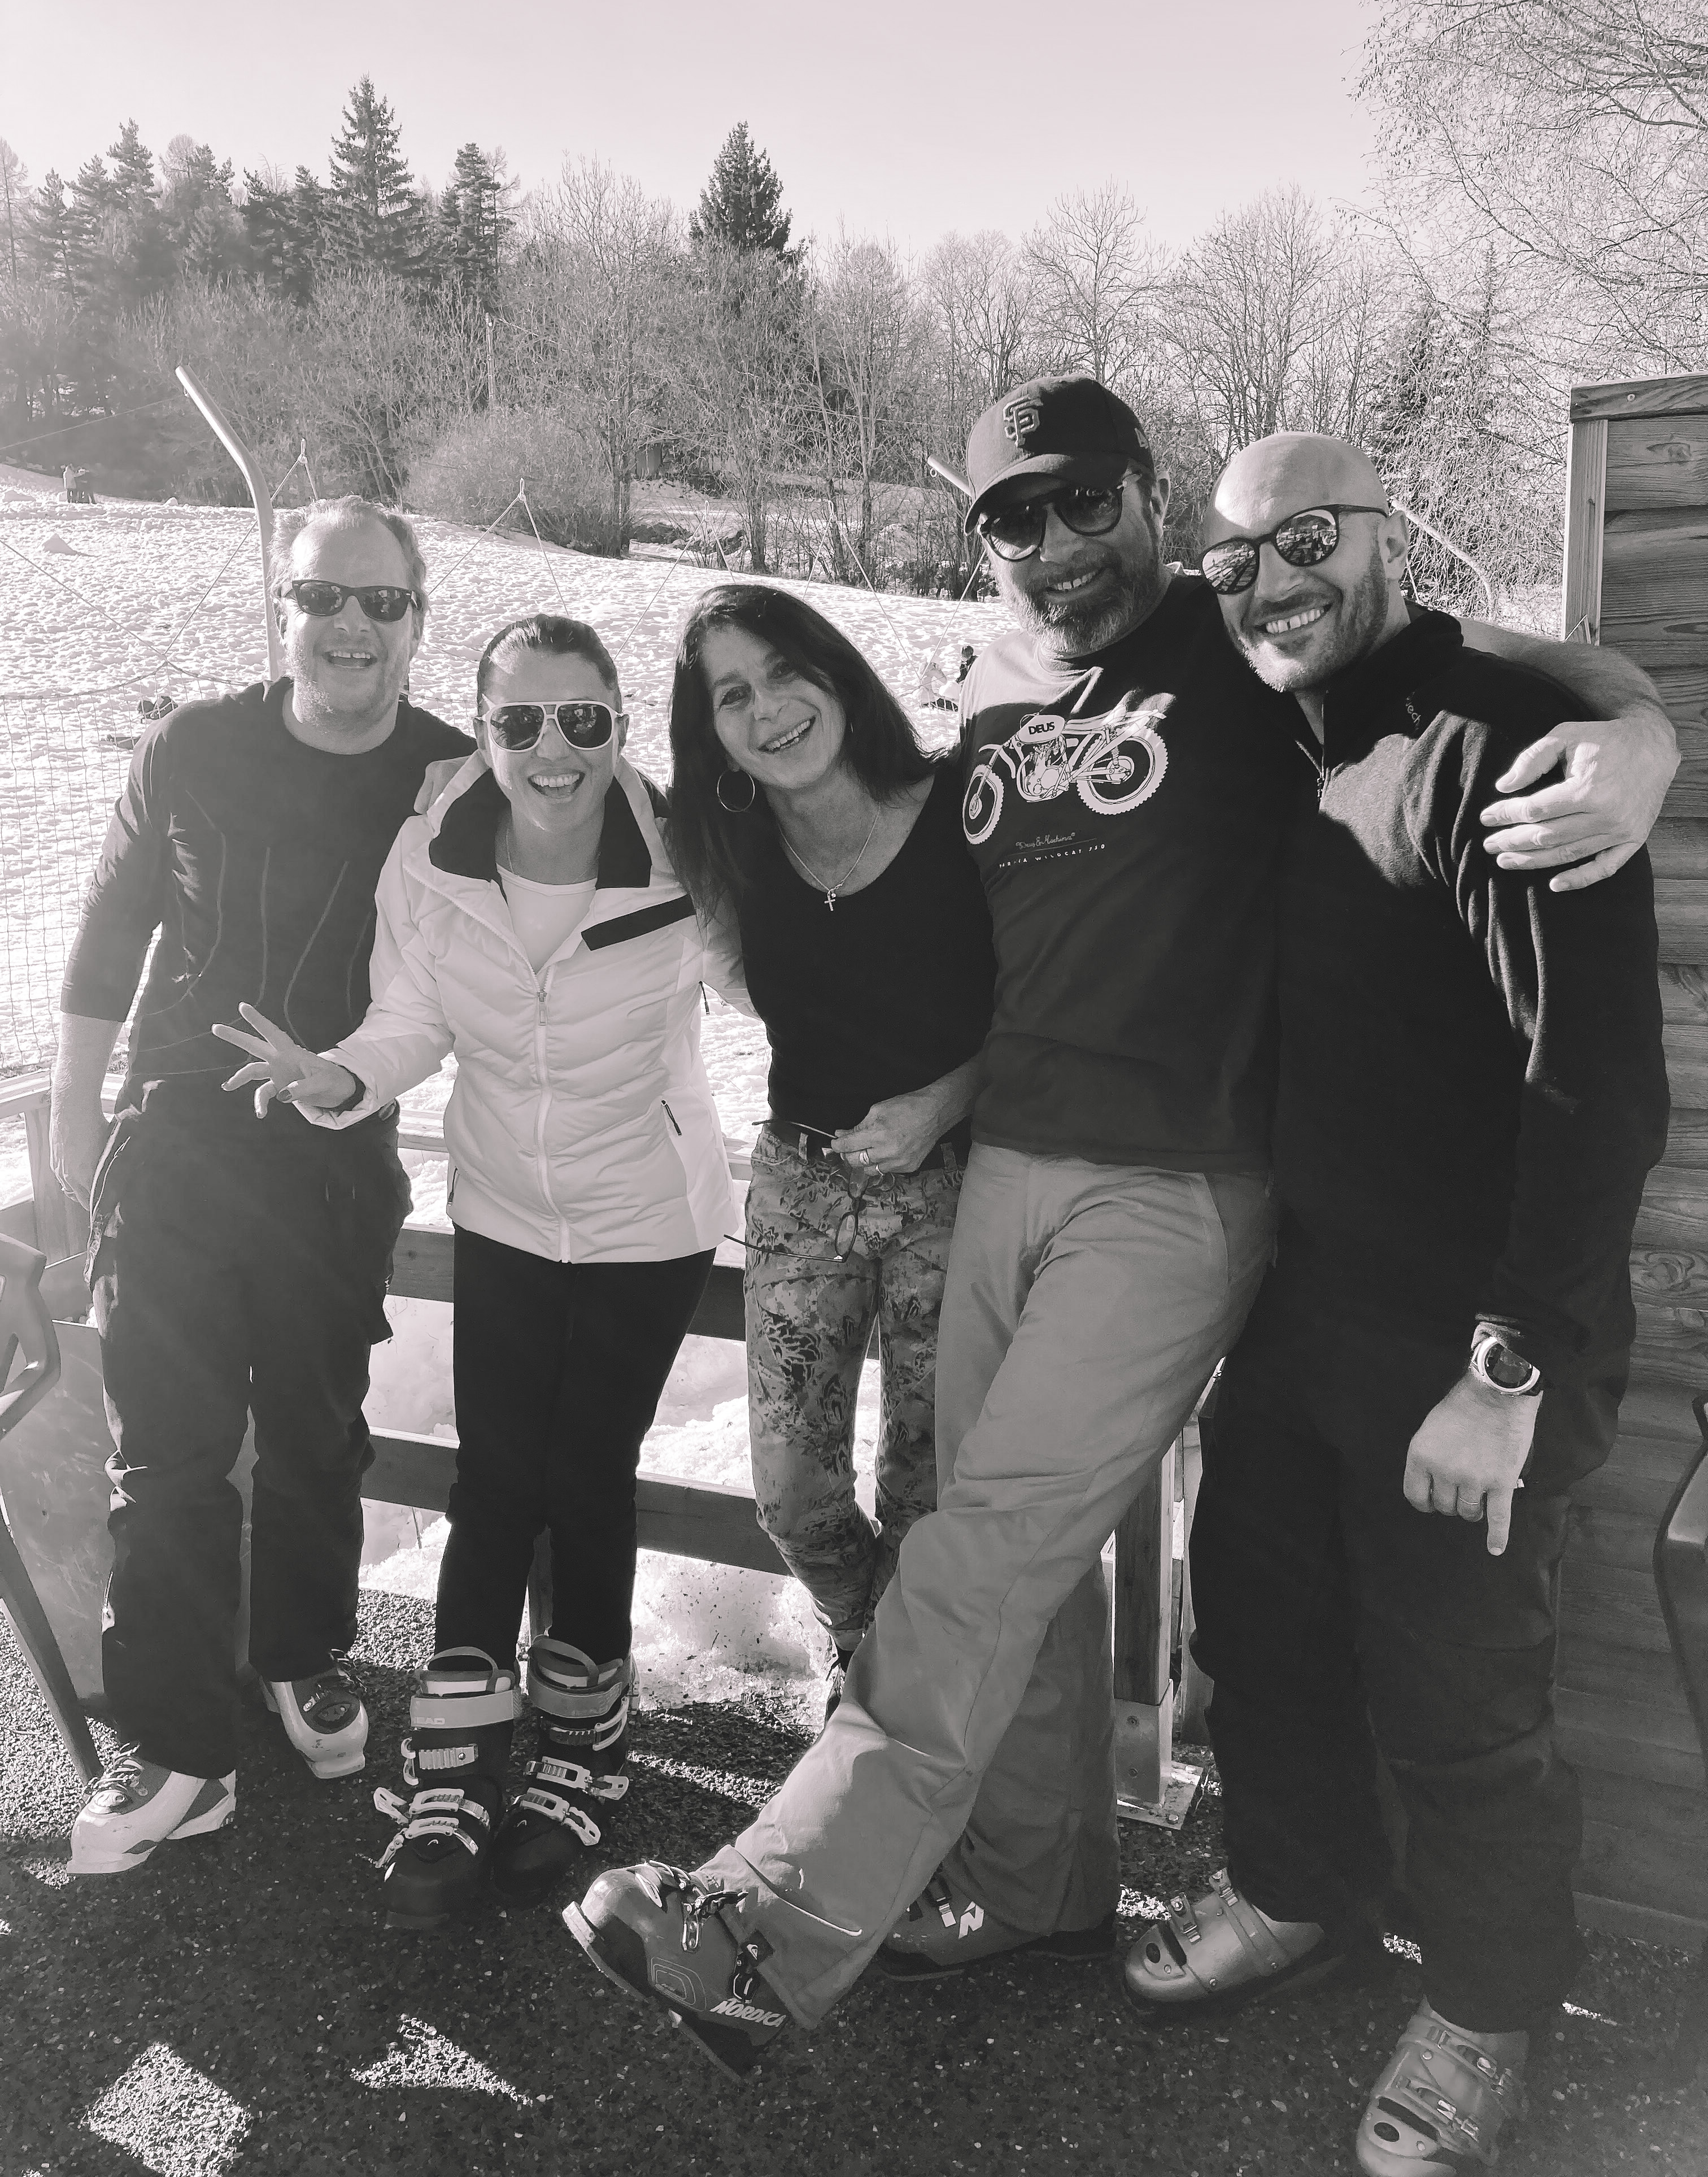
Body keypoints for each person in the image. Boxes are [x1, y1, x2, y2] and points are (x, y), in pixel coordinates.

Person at [563, 377, 1677, 2078]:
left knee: (984, 1545)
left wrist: (1642, 728)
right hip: (1005, 1166)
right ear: (984, 542)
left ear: (1148, 495)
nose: (1059, 541)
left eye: (1088, 500)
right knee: (1003, 1554)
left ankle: (768, 1920)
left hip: (1173, 1188)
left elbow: (1489, 661)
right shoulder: (992, 682)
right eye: (1016, 516)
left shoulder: (1237, 636)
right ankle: (1036, 1887)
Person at [1119, 435, 1668, 2175]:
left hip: (1477, 1340)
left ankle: (1491, 2009)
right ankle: (1300, 1894)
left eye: (1307, 538)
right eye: (1234, 560)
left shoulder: (1505, 747)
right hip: (1303, 1311)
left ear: (1382, 535)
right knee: (1261, 1636)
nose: (1270, 582)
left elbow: (1598, 1088)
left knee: (1463, 1706)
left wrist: (1510, 1365)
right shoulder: (1285, 733)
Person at [216, 615, 739, 1925]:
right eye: (519, 721)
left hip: (646, 1217)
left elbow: (771, 981)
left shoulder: (684, 851)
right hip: (505, 1205)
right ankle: (451, 1766)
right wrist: (342, 1075)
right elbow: (410, 1018)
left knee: (586, 1473)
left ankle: (583, 1747)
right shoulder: (433, 852)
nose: (554, 749)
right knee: (496, 1475)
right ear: (485, 729)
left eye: (583, 719)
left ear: (620, 724)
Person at [50, 496, 470, 1874]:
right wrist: (72, 1125)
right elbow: (107, 939)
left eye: (381, 602)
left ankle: (300, 1655)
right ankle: (177, 1752)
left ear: (416, 619)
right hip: (175, 1142)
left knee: (314, 1434)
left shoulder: (447, 777)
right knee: (166, 1453)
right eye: (322, 597)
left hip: (335, 1150)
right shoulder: (193, 747)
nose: (351, 625)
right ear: (281, 608)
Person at [668, 584, 995, 1714]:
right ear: (712, 732)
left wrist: (943, 1103)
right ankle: (859, 1636)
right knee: (792, 1496)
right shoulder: (728, 848)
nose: (768, 710)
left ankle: (894, 1712)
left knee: (926, 1488)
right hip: (801, 1189)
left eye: (784, 671)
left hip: (956, 1189)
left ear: (838, 671)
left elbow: (1051, 995)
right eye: (733, 696)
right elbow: (568, 795)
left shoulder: (961, 809)